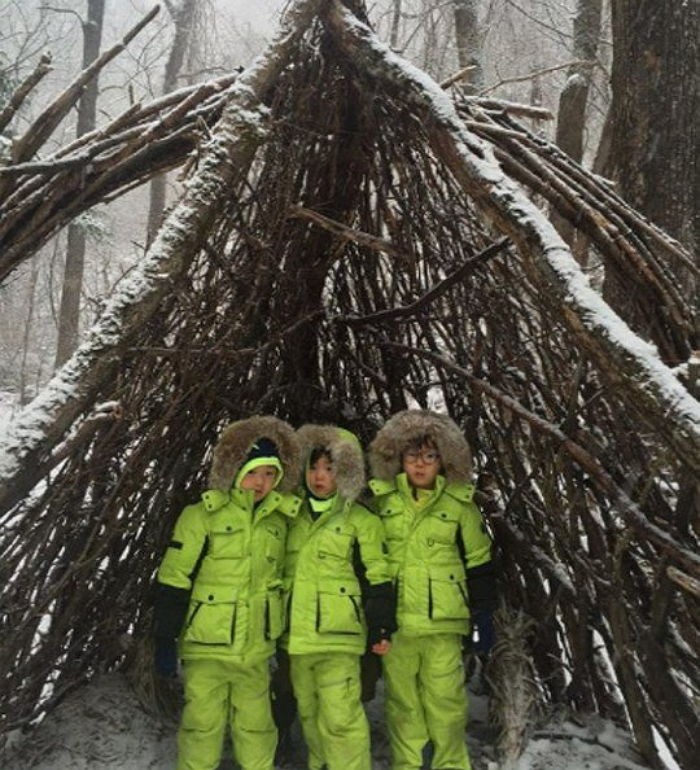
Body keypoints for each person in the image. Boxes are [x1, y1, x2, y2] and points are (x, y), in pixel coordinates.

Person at [152, 415, 302, 770]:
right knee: (202, 725)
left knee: (257, 727)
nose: (260, 482)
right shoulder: (201, 515)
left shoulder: (280, 522)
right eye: (252, 472)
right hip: (207, 647)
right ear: (234, 471)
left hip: (255, 651)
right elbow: (174, 579)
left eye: (269, 474)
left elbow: (285, 582)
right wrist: (165, 641)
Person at [368, 409, 497, 770]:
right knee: (402, 705)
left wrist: (483, 615)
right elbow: (371, 563)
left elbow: (479, 562)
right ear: (398, 460)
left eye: (429, 456)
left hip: (443, 625)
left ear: (443, 461)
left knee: (446, 704)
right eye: (412, 457)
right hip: (399, 626)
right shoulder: (383, 504)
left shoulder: (459, 507)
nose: (420, 465)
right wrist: (375, 617)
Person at [282, 424, 396, 770]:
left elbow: (379, 578)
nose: (319, 476)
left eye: (329, 469)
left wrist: (380, 628)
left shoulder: (360, 520)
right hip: (297, 641)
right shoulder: (289, 516)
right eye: (313, 467)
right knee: (310, 714)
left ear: (345, 472)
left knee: (341, 718)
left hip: (339, 639)